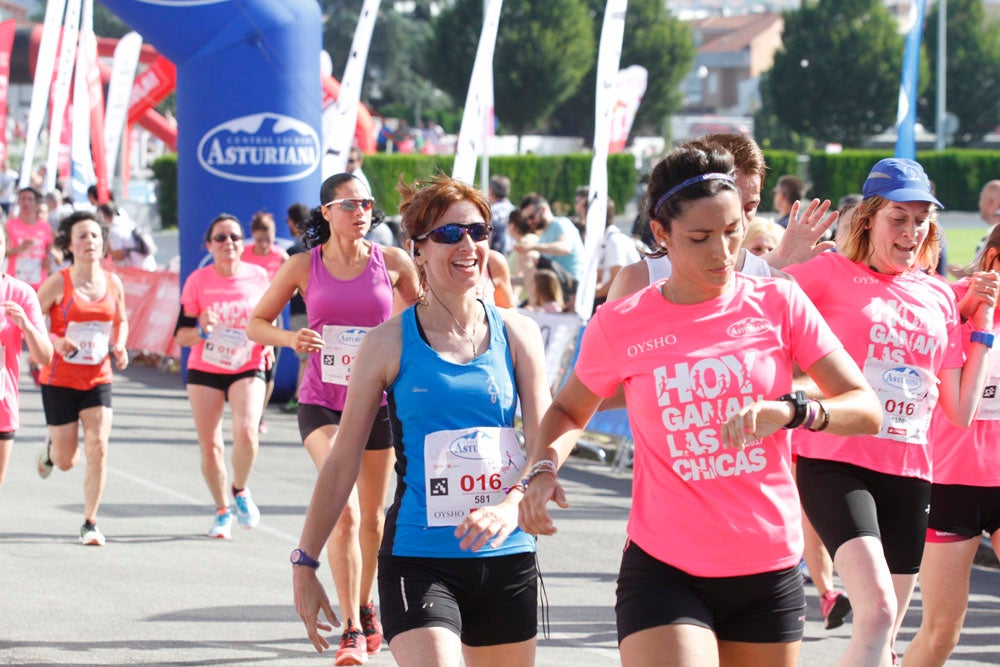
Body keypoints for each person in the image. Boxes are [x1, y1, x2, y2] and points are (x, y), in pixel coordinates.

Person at [517, 143, 881, 666]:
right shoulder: (622, 322)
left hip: (767, 563)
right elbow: (569, 410)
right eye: (701, 237)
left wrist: (792, 410)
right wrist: (544, 468)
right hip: (665, 567)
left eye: (734, 231)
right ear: (662, 234)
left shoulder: (779, 303)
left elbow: (865, 406)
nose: (723, 252)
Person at [291, 175, 549, 667]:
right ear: (418, 249)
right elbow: (343, 458)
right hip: (419, 555)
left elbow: (542, 440)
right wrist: (305, 561)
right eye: (449, 234)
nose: (467, 245)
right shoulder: (387, 342)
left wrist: (514, 503)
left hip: (507, 552)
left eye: (478, 231)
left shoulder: (519, 332)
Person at [784, 157, 999, 665]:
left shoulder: (937, 297)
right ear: (868, 220)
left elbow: (961, 410)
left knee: (883, 635)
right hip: (836, 461)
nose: (911, 231)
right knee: (877, 611)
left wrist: (981, 328)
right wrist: (784, 260)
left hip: (909, 472)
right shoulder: (828, 273)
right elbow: (752, 310)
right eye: (898, 218)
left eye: (921, 219)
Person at [248, 173, 421, 665]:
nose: (361, 211)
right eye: (349, 204)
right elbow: (256, 323)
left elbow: (423, 317)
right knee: (342, 507)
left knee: (373, 517)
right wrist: (291, 340)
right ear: (326, 213)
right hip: (322, 401)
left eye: (367, 202)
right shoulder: (303, 265)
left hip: (379, 404)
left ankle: (367, 604)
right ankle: (350, 627)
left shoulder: (393, 263)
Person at [902, 223, 1000, 666]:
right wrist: (965, 313)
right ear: (994, 261)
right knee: (943, 631)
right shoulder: (948, 300)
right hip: (947, 482)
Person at [35, 211, 129, 546]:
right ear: (69, 245)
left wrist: (119, 344)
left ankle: (90, 521)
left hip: (98, 377)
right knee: (65, 461)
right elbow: (35, 319)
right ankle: (51, 449)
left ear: (103, 243)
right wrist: (55, 340)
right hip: (59, 379)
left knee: (98, 446)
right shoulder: (59, 282)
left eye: (95, 236)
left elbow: (121, 320)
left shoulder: (113, 282)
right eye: (82, 236)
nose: (90, 242)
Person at [175, 214, 271, 541]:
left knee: (246, 432)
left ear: (243, 244)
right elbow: (181, 336)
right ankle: (221, 510)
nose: (228, 243)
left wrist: (269, 341)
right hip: (205, 368)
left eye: (234, 237)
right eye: (220, 238)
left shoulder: (259, 277)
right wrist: (202, 329)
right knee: (211, 446)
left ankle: (240, 490)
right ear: (209, 245)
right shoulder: (198, 282)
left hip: (248, 363)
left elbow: (268, 321)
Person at [0, 225, 53, 486]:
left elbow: (44, 357)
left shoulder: (20, 294)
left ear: (6, 248)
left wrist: (26, 326)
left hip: (2, 404)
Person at [241, 211, 289, 435]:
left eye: (267, 239)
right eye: (259, 239)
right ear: (253, 235)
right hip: (244, 317)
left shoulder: (281, 257)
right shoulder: (244, 254)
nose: (263, 244)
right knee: (245, 366)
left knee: (269, 367)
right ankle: (245, 408)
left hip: (271, 318)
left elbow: (295, 284)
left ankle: (260, 414)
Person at [281, 203, 311, 415]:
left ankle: (299, 398)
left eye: (288, 221)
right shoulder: (321, 246)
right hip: (320, 309)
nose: (287, 225)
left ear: (293, 222)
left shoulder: (293, 252)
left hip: (302, 311)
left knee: (305, 358)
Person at [516, 193, 585, 282]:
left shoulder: (561, 223)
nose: (529, 222)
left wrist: (532, 247)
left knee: (529, 255)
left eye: (531, 217)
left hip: (573, 282)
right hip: (558, 283)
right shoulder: (543, 236)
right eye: (526, 219)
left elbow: (565, 248)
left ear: (543, 209)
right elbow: (530, 279)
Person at [5, 187, 53, 290]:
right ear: (18, 202)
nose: (26, 202)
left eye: (30, 199)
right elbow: (4, 252)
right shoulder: (9, 226)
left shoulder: (45, 227)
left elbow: (49, 251)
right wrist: (19, 248)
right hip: (15, 283)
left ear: (36, 203)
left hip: (39, 283)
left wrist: (49, 260)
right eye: (23, 199)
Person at [594, 199, 639, 308]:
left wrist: (590, 295)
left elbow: (617, 282)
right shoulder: (606, 240)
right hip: (617, 300)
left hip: (624, 304)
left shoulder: (614, 240)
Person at [488, 175, 515, 255]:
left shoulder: (491, 212)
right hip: (512, 257)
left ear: (491, 191)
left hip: (495, 257)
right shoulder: (514, 210)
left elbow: (488, 238)